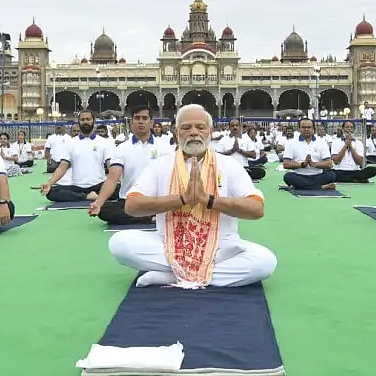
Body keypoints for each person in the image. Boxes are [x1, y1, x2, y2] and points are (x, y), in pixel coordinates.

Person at [107, 104, 276, 288]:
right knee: (119, 244)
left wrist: (208, 200)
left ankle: (175, 275)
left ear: (210, 132)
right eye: (186, 128)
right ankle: (201, 272)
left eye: (200, 127)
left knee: (265, 262)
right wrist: (182, 199)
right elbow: (132, 205)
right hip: (168, 244)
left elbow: (256, 209)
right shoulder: (160, 165)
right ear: (177, 133)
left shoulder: (229, 165)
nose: (193, 132)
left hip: (221, 247)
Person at [90, 105, 171, 225]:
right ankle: (150, 218)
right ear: (132, 122)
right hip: (129, 201)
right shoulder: (122, 148)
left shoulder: (165, 148)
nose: (141, 121)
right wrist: (98, 202)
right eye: (137, 118)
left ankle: (146, 216)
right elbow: (112, 179)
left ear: (151, 122)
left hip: (155, 200)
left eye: (144, 118)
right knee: (104, 210)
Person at [41, 110, 110, 202]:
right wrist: (49, 183)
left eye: (88, 119)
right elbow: (62, 167)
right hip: (77, 186)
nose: (85, 122)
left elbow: (111, 166)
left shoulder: (104, 142)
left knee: (117, 189)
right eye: (82, 119)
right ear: (78, 122)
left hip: (99, 185)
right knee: (51, 192)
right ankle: (87, 197)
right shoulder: (71, 143)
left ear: (94, 121)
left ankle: (84, 196)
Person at [281, 117, 336, 190]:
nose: (306, 129)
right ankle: (320, 187)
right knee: (288, 177)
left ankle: (302, 186)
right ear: (299, 129)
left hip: (318, 176)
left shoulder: (321, 142)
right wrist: (302, 164)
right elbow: (286, 164)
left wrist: (314, 164)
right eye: (303, 127)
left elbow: (329, 164)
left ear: (313, 129)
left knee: (332, 175)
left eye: (309, 127)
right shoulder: (291, 143)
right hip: (299, 175)